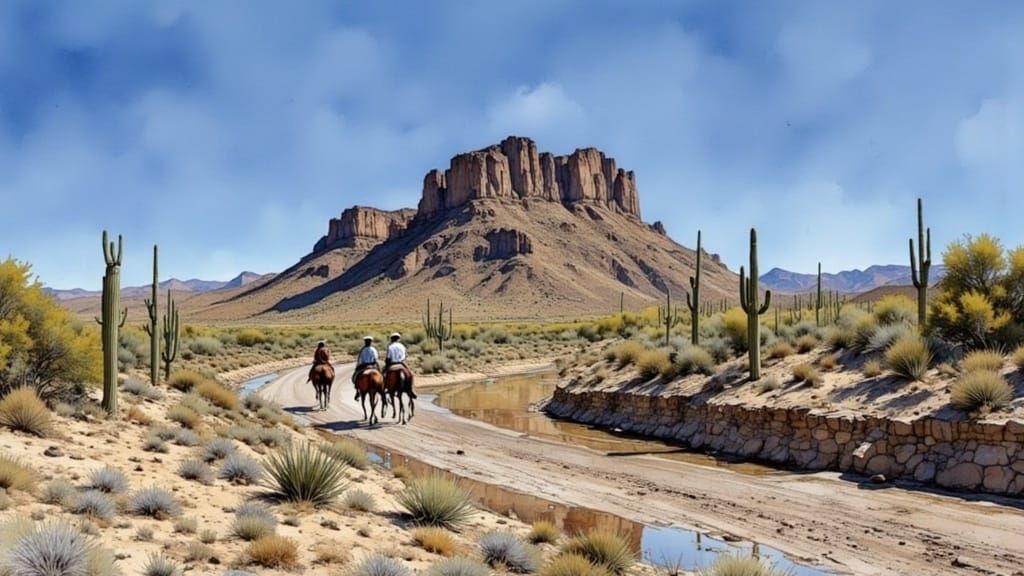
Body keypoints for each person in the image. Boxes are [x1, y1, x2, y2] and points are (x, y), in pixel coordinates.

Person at [385, 332, 417, 399]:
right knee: (411, 374)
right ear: (398, 339)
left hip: (392, 363)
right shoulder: (402, 346)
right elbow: (405, 356)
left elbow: (388, 357)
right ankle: (411, 390)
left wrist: (387, 363)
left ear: (392, 339)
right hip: (402, 362)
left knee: (384, 374)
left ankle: (386, 387)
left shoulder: (390, 346)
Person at [352, 336, 379, 400]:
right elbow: (376, 358)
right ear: (371, 342)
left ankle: (357, 391)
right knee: (381, 374)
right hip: (372, 365)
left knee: (356, 376)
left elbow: (360, 360)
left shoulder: (362, 349)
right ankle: (382, 390)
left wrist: (358, 366)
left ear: (365, 342)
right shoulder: (374, 349)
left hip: (363, 365)